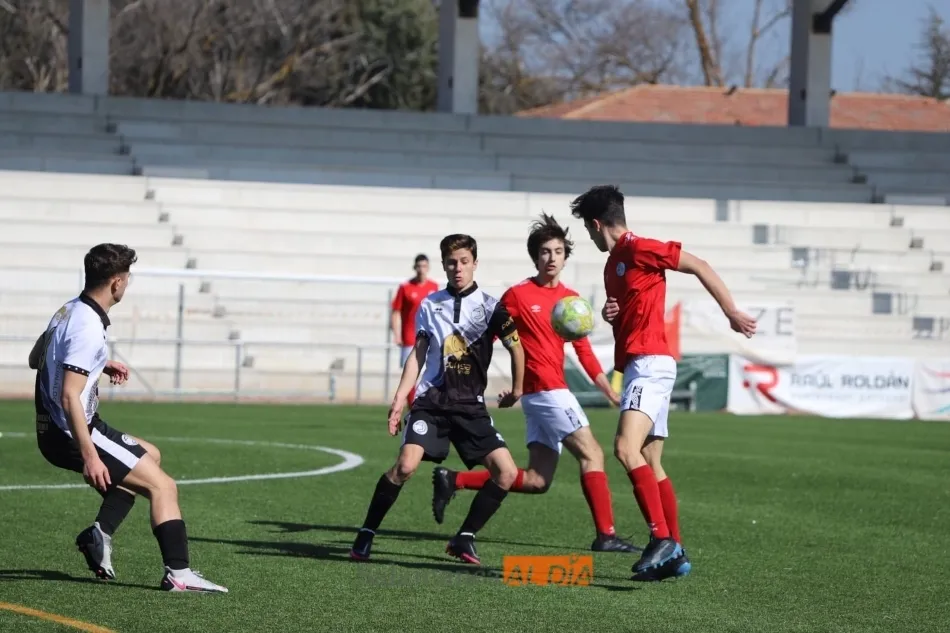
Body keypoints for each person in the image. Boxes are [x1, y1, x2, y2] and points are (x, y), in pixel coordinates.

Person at [569, 185, 757, 581]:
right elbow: (630, 310)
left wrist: (731, 312)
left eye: (587, 230)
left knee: (624, 448)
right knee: (650, 460)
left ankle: (660, 538)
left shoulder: (639, 247)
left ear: (596, 224)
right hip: (642, 364)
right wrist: (611, 314)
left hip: (650, 363)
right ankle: (675, 554)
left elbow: (699, 265)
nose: (589, 237)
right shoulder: (613, 265)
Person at [431, 214, 637, 554]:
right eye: (544, 252)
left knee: (537, 480)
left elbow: (583, 350)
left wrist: (607, 389)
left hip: (546, 394)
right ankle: (606, 535)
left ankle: (454, 479)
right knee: (592, 453)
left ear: (566, 256)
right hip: (546, 392)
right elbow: (487, 335)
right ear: (535, 257)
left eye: (558, 251)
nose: (551, 258)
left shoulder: (571, 301)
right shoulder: (518, 295)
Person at [29, 243, 227, 593]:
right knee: (163, 486)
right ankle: (179, 574)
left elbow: (37, 359)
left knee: (150, 456)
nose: (128, 284)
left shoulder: (68, 310)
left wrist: (98, 363)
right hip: (72, 430)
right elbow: (69, 395)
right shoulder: (88, 325)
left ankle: (98, 534)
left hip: (58, 428)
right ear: (116, 283)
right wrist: (90, 456)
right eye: (128, 277)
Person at [350, 234, 525, 565]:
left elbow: (516, 347)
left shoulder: (491, 307)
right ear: (443, 265)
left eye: (464, 262)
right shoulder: (430, 305)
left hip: (470, 406)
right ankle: (367, 532)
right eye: (451, 262)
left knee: (506, 473)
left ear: (475, 263)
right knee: (405, 466)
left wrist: (517, 390)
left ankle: (464, 537)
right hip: (432, 403)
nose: (458, 268)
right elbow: (418, 354)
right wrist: (399, 398)